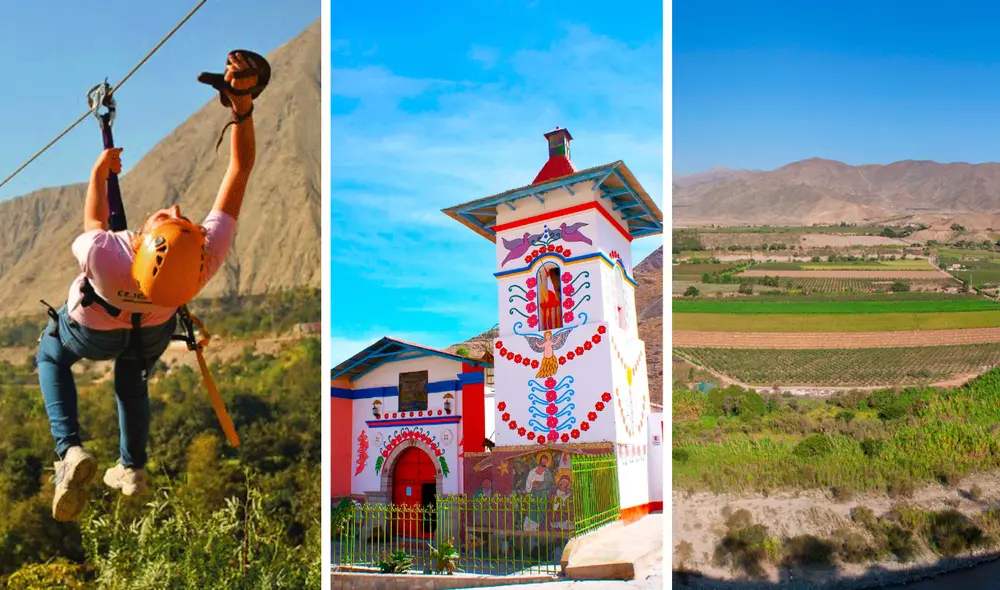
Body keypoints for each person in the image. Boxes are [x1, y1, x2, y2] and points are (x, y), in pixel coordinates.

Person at [38, 51, 261, 523]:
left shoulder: (107, 252)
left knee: (51, 352)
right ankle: (132, 468)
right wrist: (242, 109)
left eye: (168, 218)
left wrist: (99, 173)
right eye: (182, 219)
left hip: (90, 331)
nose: (177, 208)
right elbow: (239, 171)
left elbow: (95, 218)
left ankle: (69, 450)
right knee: (132, 375)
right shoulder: (204, 261)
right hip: (148, 333)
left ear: (143, 241)